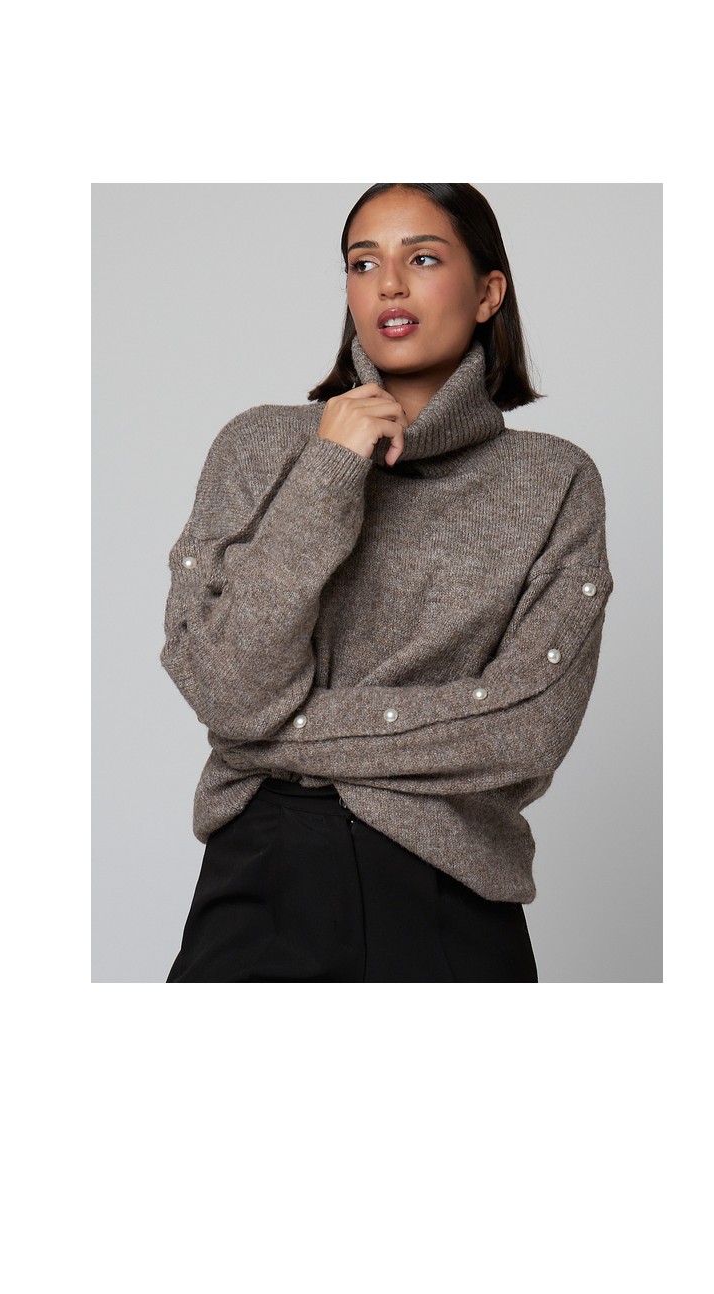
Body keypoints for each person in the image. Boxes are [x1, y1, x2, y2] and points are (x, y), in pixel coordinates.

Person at [161, 183, 613, 982]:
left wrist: (276, 734)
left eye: (423, 259)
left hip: (452, 894)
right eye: (363, 263)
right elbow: (231, 688)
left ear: (488, 293)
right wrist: (330, 470)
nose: (389, 285)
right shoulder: (259, 447)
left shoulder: (554, 481)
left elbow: (529, 729)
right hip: (264, 876)